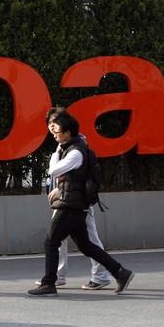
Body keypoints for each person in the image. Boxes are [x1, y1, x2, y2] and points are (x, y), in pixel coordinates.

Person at [28, 111, 135, 296]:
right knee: (86, 246)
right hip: (75, 205)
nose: (53, 131)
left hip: (69, 205)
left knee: (51, 242)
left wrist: (57, 151)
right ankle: (120, 272)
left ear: (68, 132)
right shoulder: (73, 148)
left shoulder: (75, 152)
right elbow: (71, 179)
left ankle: (49, 283)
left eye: (57, 128)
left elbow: (54, 170)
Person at [36, 107, 112, 289]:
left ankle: (101, 275)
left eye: (55, 122)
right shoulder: (61, 143)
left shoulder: (76, 142)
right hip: (64, 200)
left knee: (89, 240)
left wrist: (60, 191)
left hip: (76, 201)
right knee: (58, 240)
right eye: (49, 123)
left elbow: (74, 173)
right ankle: (57, 276)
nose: (52, 126)